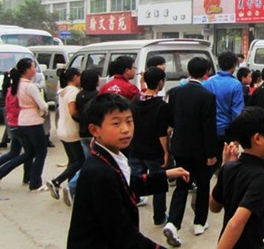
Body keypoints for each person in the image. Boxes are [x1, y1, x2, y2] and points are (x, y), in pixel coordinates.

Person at [66, 93, 191, 248]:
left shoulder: (109, 157)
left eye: (129, 121)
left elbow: (126, 185)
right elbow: (125, 236)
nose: (126, 129)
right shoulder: (101, 172)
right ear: (95, 130)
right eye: (116, 123)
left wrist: (165, 175)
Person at [163, 58, 218, 246]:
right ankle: (199, 223)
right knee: (203, 184)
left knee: (182, 185)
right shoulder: (207, 96)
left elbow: (171, 119)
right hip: (200, 150)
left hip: (180, 147)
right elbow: (208, 128)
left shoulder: (175, 93)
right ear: (206, 72)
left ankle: (173, 222)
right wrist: (211, 154)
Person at [209, 107, 264, 249]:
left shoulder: (228, 167)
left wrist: (224, 166)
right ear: (257, 138)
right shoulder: (260, 177)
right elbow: (236, 224)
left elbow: (214, 206)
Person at [128, 67, 171, 228]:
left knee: (135, 183)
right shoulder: (161, 105)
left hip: (135, 148)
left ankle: (129, 213)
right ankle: (159, 216)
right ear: (160, 82)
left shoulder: (135, 102)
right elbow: (162, 132)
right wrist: (166, 151)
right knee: (158, 183)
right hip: (154, 151)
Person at [0, 68, 31, 190]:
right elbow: (19, 108)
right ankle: (25, 177)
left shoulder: (10, 89)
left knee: (14, 152)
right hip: (19, 124)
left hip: (13, 124)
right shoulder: (17, 92)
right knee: (29, 153)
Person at [63, 68, 100, 207]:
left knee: (87, 162)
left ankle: (84, 190)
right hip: (94, 134)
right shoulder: (97, 95)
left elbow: (76, 113)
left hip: (83, 132)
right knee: (92, 164)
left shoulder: (80, 95)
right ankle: (71, 186)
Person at [14, 58, 51, 192]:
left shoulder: (18, 83)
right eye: (33, 67)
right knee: (41, 152)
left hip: (23, 119)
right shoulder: (30, 86)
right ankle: (35, 181)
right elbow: (43, 105)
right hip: (33, 120)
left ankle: (24, 176)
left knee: (29, 152)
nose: (35, 70)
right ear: (27, 70)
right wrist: (45, 110)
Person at [47, 68, 83, 200]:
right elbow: (73, 111)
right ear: (75, 77)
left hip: (62, 129)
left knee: (72, 161)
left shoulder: (63, 91)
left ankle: (70, 189)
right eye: (79, 76)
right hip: (71, 130)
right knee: (80, 161)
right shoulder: (73, 92)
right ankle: (57, 181)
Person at [203, 51, 244, 166]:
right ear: (234, 65)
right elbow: (237, 113)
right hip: (227, 130)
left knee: (212, 163)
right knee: (229, 163)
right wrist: (238, 135)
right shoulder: (235, 84)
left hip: (210, 130)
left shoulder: (208, 82)